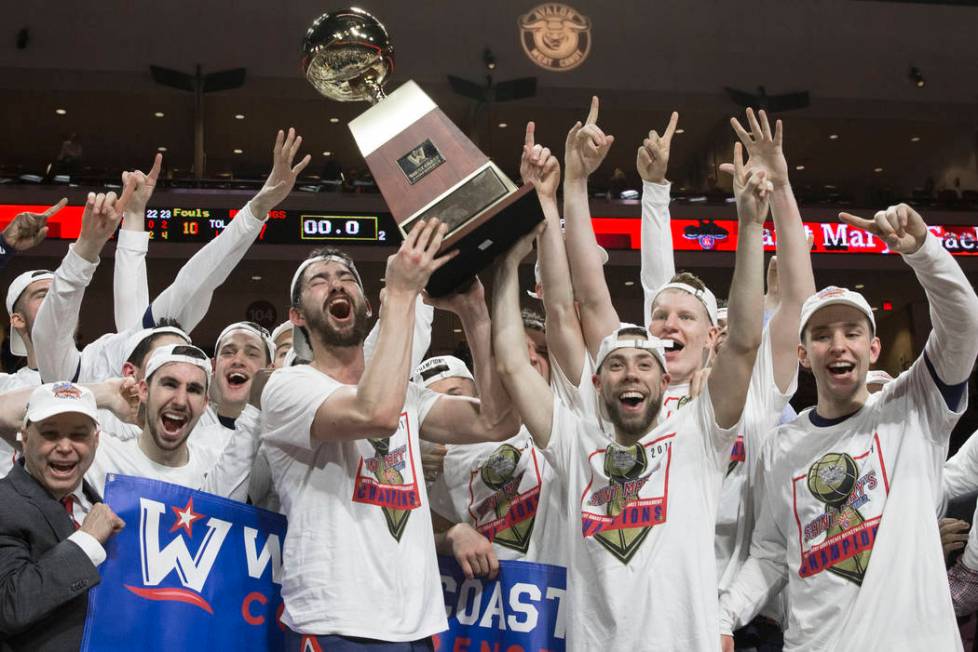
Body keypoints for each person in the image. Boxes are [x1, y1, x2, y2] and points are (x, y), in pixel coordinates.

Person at [491, 127, 770, 649]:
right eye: (617, 365)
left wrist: (751, 226)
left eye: (645, 363)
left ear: (665, 381)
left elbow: (745, 343)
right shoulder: (577, 442)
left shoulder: (699, 436)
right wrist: (513, 253)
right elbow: (517, 357)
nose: (632, 373)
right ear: (597, 383)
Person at [718, 203, 978, 651]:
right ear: (803, 355)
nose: (838, 344)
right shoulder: (783, 447)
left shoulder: (914, 408)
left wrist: (924, 253)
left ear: (873, 347)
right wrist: (723, 615)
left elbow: (962, 325)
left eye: (851, 332)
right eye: (821, 335)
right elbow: (770, 556)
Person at [260, 219, 520, 649]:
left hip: (418, 625)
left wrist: (475, 315)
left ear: (364, 306)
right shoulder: (289, 388)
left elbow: (497, 423)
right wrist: (400, 295)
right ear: (298, 316)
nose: (337, 285)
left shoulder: (409, 396)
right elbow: (376, 412)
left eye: (347, 279)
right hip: (335, 624)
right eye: (320, 281)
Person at [0, 382, 124, 651]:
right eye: (50, 434)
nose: (65, 447)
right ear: (25, 436)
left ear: (96, 440)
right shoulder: (4, 503)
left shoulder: (110, 504)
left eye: (79, 435)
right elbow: (9, 606)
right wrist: (86, 541)